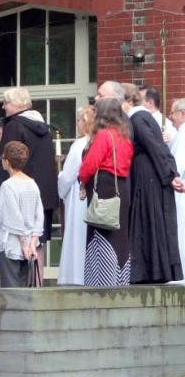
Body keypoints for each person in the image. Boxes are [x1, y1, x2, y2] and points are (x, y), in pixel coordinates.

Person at [121, 83, 184, 283]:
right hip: (147, 173)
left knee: (148, 220)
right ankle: (150, 270)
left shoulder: (139, 119)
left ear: (128, 101)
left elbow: (155, 146)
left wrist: (170, 173)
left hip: (147, 175)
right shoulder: (141, 118)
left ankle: (149, 271)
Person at [0, 88, 57, 259]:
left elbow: (6, 160)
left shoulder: (14, 126)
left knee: (16, 243)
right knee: (38, 243)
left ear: (17, 104)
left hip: (19, 194)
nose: (3, 106)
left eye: (6, 102)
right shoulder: (43, 127)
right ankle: (37, 284)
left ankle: (19, 286)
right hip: (43, 193)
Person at [78, 98, 134, 286]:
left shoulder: (104, 135)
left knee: (100, 232)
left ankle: (101, 283)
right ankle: (120, 280)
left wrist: (82, 181)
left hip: (105, 186)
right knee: (119, 234)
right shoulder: (124, 136)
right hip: (123, 187)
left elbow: (90, 164)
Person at [0, 141, 44, 288]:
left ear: (7, 162)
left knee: (11, 293)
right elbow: (39, 215)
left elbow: (13, 217)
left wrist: (24, 244)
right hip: (29, 244)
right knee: (24, 292)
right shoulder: (32, 183)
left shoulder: (8, 185)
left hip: (12, 244)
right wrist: (32, 243)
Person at [56, 106, 95, 286]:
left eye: (79, 120)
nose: (77, 123)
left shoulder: (79, 145)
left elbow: (68, 175)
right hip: (90, 194)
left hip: (77, 194)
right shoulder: (95, 142)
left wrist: (60, 182)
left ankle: (75, 275)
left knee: (77, 233)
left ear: (86, 122)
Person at [169, 98, 185, 282]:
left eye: (173, 113)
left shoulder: (182, 134)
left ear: (182, 114)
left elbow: (177, 166)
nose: (170, 117)